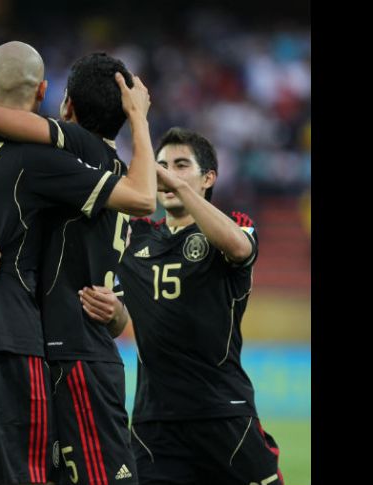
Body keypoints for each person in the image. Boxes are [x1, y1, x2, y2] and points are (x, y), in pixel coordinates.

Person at [0, 41, 155, 485]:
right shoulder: (52, 162)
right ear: (43, 93)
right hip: (15, 344)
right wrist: (140, 119)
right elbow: (143, 198)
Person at [112, 127, 283, 485]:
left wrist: (179, 187)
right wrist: (112, 313)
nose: (168, 173)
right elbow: (119, 321)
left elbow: (239, 248)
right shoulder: (135, 237)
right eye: (161, 166)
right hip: (155, 424)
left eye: (180, 165)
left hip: (224, 414)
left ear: (209, 178)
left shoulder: (234, 226)